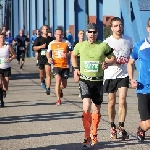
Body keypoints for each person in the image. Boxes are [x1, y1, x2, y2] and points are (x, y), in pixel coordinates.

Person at [71, 23, 115, 147]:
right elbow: (73, 55)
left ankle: (94, 134)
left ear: (97, 33)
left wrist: (107, 63)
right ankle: (86, 136)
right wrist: (75, 68)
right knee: (86, 107)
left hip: (98, 81)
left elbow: (113, 58)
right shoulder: (80, 45)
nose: (92, 34)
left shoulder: (103, 45)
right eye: (89, 32)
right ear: (86, 33)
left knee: (96, 108)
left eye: (94, 32)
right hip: (85, 80)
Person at [103, 17, 133, 140]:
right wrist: (110, 61)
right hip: (110, 75)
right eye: (115, 26)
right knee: (111, 103)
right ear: (111, 28)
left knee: (122, 101)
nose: (118, 28)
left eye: (120, 25)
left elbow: (132, 55)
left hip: (123, 74)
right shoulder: (107, 42)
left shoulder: (128, 40)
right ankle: (112, 126)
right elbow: (103, 58)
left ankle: (121, 127)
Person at [127, 18, 150, 142]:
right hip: (143, 89)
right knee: (147, 124)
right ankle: (141, 128)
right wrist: (131, 79)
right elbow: (130, 63)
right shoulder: (140, 46)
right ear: (148, 29)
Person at [47, 28, 72, 105]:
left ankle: (60, 89)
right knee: (58, 80)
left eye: (61, 34)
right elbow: (48, 53)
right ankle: (58, 99)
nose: (59, 36)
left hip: (65, 66)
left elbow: (72, 52)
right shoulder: (51, 44)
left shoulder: (67, 42)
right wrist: (49, 58)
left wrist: (67, 54)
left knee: (64, 85)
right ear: (55, 35)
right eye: (57, 34)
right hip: (56, 65)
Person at [33, 25, 53, 95]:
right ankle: (42, 81)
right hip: (41, 58)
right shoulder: (38, 39)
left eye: (47, 29)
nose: (46, 30)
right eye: (44, 29)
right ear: (42, 30)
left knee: (48, 73)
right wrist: (41, 46)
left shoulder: (51, 39)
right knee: (42, 74)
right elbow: (34, 48)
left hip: (48, 58)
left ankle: (48, 88)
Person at [0, 33, 16, 105]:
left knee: (5, 86)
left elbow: (14, 55)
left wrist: (10, 59)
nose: (2, 39)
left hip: (6, 68)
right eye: (0, 38)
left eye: (3, 37)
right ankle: (1, 101)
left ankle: (4, 92)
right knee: (0, 83)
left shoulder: (8, 47)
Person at [72, 30, 84, 97]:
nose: (82, 35)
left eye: (83, 34)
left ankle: (81, 89)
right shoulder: (75, 43)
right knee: (76, 79)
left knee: (82, 77)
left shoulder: (86, 43)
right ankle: (80, 87)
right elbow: (73, 54)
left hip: (83, 61)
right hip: (77, 61)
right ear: (78, 35)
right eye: (80, 34)